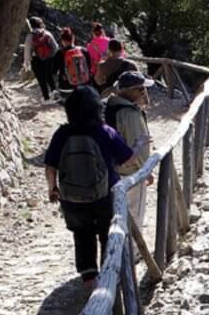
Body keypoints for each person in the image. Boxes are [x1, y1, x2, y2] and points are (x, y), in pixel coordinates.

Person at [44, 86, 136, 289]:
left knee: (81, 233)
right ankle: (109, 275)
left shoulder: (62, 133)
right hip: (105, 194)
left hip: (71, 197)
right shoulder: (105, 132)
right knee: (107, 234)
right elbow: (127, 159)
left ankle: (89, 277)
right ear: (96, 109)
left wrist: (52, 188)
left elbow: (50, 165)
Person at [104, 71, 155, 227]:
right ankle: (133, 250)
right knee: (134, 215)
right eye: (140, 89)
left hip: (111, 172)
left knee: (117, 215)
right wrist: (146, 170)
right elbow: (136, 147)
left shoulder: (109, 107)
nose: (143, 92)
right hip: (130, 173)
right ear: (128, 91)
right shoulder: (129, 113)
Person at [28, 17, 60, 102]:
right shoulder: (47, 33)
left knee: (41, 79)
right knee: (50, 77)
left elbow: (27, 50)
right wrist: (50, 56)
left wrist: (27, 62)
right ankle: (55, 94)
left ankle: (46, 98)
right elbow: (56, 47)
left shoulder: (30, 36)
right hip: (48, 59)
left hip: (36, 60)